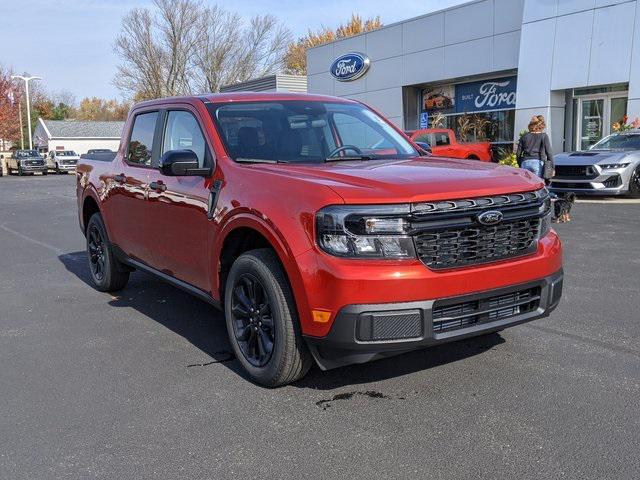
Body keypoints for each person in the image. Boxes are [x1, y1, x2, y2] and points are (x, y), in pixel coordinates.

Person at [516, 115, 554, 181]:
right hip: (537, 163)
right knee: (537, 186)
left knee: (526, 186)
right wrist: (552, 168)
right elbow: (549, 153)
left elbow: (518, 153)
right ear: (540, 125)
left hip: (525, 163)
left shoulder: (524, 136)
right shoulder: (544, 136)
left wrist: (520, 163)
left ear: (530, 126)